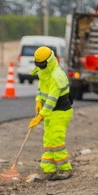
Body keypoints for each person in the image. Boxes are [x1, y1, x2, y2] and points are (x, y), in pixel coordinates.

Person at [30, 46, 73, 181]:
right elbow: (41, 88)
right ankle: (49, 170)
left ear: (49, 61)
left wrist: (40, 116)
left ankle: (65, 169)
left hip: (60, 112)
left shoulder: (56, 76)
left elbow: (51, 101)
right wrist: (38, 100)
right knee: (48, 141)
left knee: (56, 140)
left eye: (43, 65)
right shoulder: (44, 71)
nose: (41, 68)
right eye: (39, 65)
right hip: (50, 113)